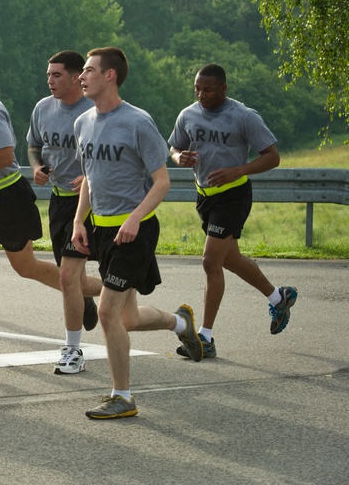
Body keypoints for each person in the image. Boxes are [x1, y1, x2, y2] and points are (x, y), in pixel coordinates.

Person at [0, 51, 102, 358]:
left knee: (25, 267)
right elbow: (32, 146)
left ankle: (93, 291)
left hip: (7, 196)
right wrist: (37, 164)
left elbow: (3, 155)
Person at [70, 47, 203, 420]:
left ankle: (123, 396)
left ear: (110, 76)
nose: (82, 76)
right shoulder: (82, 123)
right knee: (126, 319)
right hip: (102, 231)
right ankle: (180, 322)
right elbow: (89, 181)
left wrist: (134, 219)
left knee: (108, 312)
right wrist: (80, 222)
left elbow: (162, 182)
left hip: (136, 231)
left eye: (88, 70)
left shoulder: (138, 122)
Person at [168, 63, 297, 358]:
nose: (201, 94)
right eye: (197, 88)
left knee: (210, 262)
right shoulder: (188, 114)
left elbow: (273, 156)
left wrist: (238, 170)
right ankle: (279, 298)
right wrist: (178, 157)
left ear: (224, 89)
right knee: (231, 259)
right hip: (205, 197)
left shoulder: (244, 116)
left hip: (234, 196)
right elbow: (173, 147)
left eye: (208, 89)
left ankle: (205, 338)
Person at [27, 50, 100, 375]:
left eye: (57, 75)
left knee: (69, 277)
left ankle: (73, 350)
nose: (50, 81)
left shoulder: (94, 110)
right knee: (73, 278)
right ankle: (111, 289)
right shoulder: (43, 108)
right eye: (48, 75)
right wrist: (37, 167)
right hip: (58, 202)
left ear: (75, 77)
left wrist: (90, 176)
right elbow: (33, 145)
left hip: (90, 203)